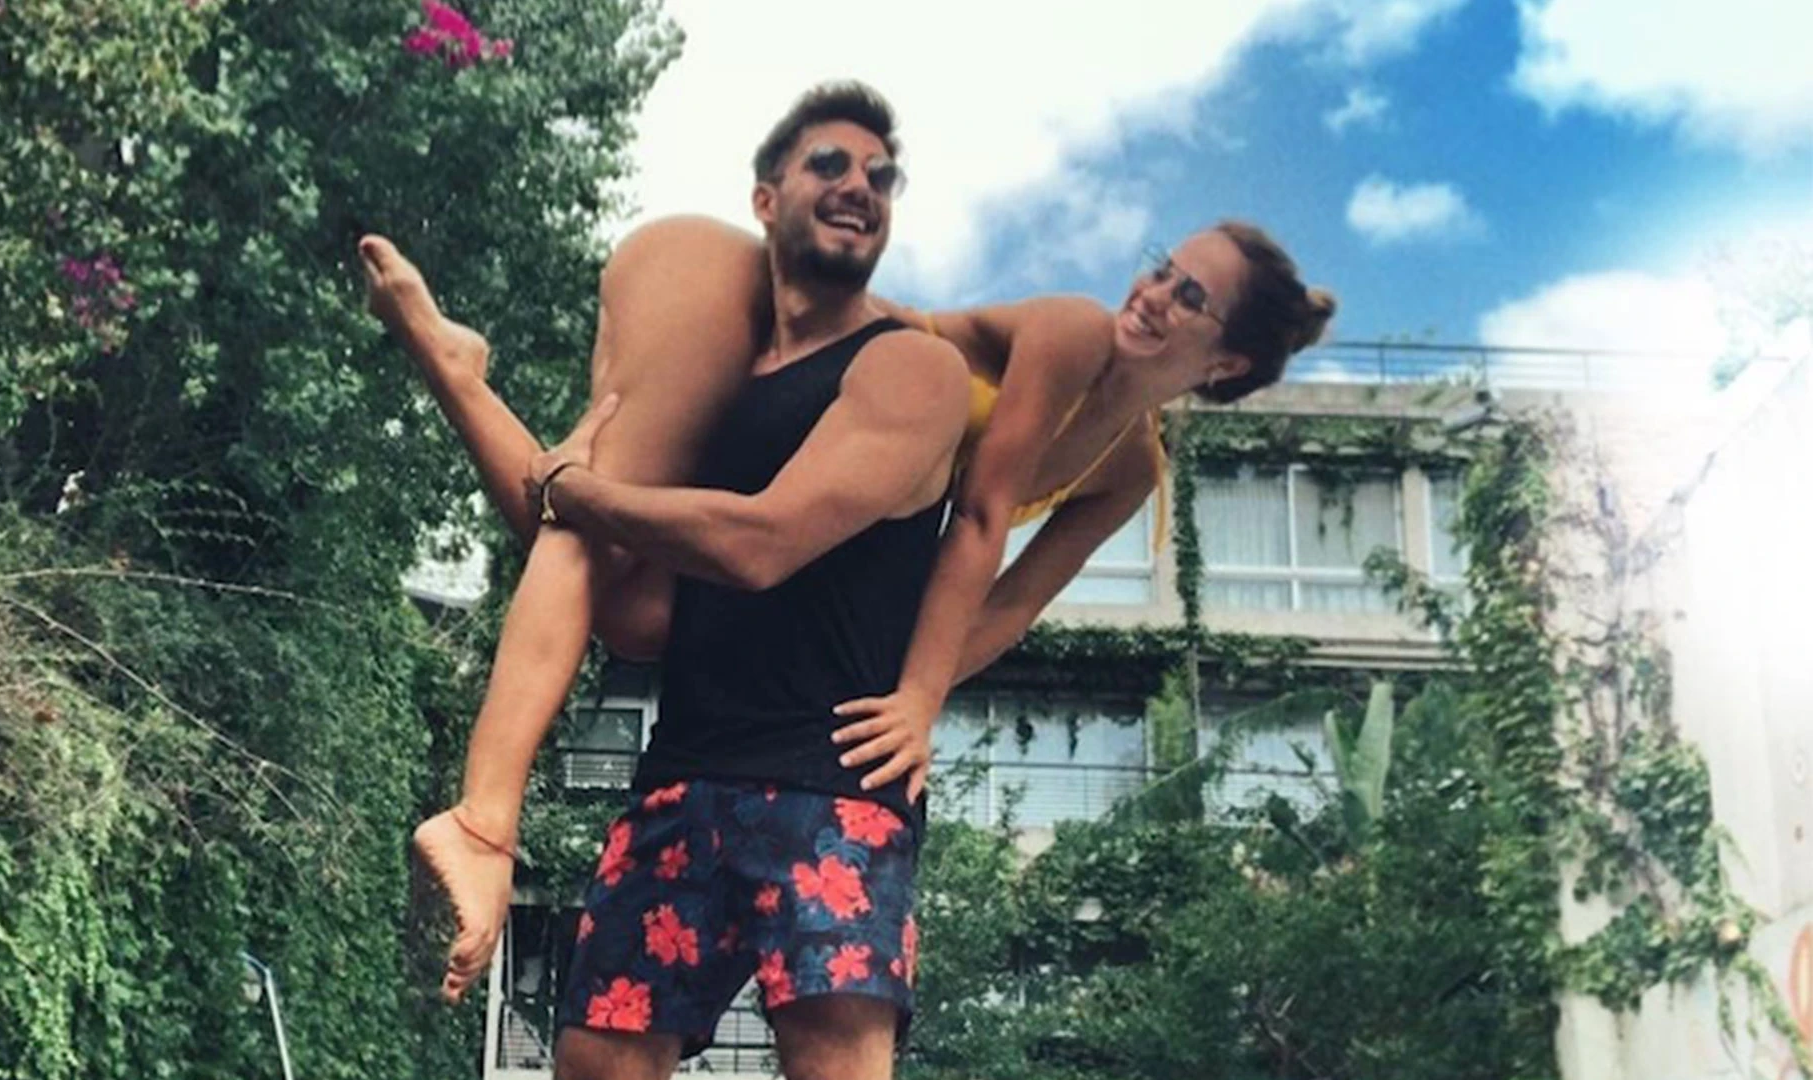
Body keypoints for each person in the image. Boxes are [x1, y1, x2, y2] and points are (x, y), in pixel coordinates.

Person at [361, 86, 1335, 1013]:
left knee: (638, 614)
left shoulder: (1132, 471)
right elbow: (981, 516)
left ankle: (457, 372)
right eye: (1164, 267)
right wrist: (915, 699)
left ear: (1228, 362)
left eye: (1190, 295)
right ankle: (484, 820)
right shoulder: (1073, 333)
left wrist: (898, 700)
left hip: (822, 459)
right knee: (588, 534)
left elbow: (1009, 604)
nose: (1154, 293)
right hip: (767, 324)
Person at [382, 81, 971, 1079]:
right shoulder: (715, 386)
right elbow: (593, 562)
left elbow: (759, 543)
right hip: (683, 772)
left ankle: (487, 821)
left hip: (831, 784)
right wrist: (461, 385)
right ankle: (483, 822)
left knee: (833, 1065)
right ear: (765, 199)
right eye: (830, 163)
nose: (860, 186)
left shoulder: (908, 369)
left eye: (882, 176)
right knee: (595, 1063)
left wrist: (576, 490)